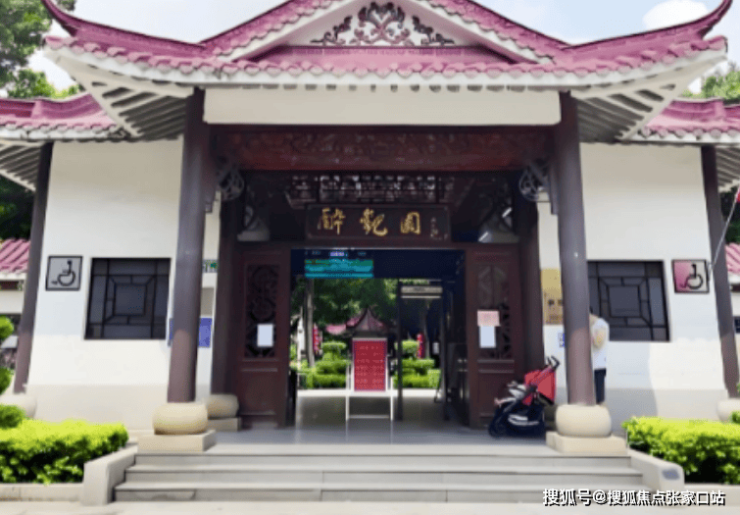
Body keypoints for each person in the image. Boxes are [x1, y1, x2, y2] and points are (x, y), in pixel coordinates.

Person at [590, 309, 609, 405]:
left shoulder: (600, 324)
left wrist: (590, 334)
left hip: (598, 365)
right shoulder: (593, 325)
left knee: (599, 397)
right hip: (593, 364)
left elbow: (598, 342)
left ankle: (600, 408)